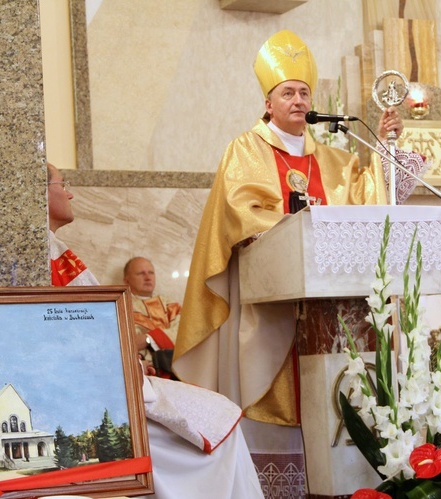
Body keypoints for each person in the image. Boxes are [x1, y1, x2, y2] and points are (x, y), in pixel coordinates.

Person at [172, 30, 427, 493]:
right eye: (287, 92)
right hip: (274, 308)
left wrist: (386, 147)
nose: (297, 99)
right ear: (267, 103)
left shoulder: (334, 159)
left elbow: (373, 200)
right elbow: (243, 212)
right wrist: (294, 224)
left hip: (334, 308)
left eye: (304, 92)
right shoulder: (245, 151)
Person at [47, 163, 263, 499]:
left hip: (134, 375)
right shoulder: (42, 257)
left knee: (223, 411)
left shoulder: (58, 254)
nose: (71, 192)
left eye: (151, 271)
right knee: (222, 418)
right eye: (64, 184)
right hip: (104, 389)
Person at [123, 256, 181, 378]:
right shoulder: (120, 305)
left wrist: (149, 339)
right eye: (141, 273)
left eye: (151, 273)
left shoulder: (169, 304)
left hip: (174, 371)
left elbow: (185, 333)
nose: (148, 277)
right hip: (138, 372)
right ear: (127, 280)